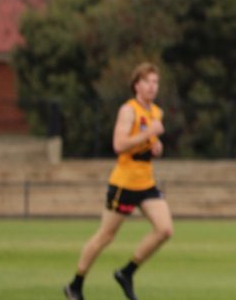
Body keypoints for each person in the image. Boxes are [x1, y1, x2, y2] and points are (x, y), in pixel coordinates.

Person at [63, 62, 173, 300]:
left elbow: (148, 143)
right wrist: (147, 133)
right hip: (124, 183)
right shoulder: (129, 110)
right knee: (106, 236)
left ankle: (126, 272)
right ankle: (75, 284)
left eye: (156, 82)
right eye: (148, 82)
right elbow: (119, 144)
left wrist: (156, 147)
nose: (153, 87)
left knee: (165, 229)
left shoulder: (156, 112)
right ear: (137, 85)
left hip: (146, 182)